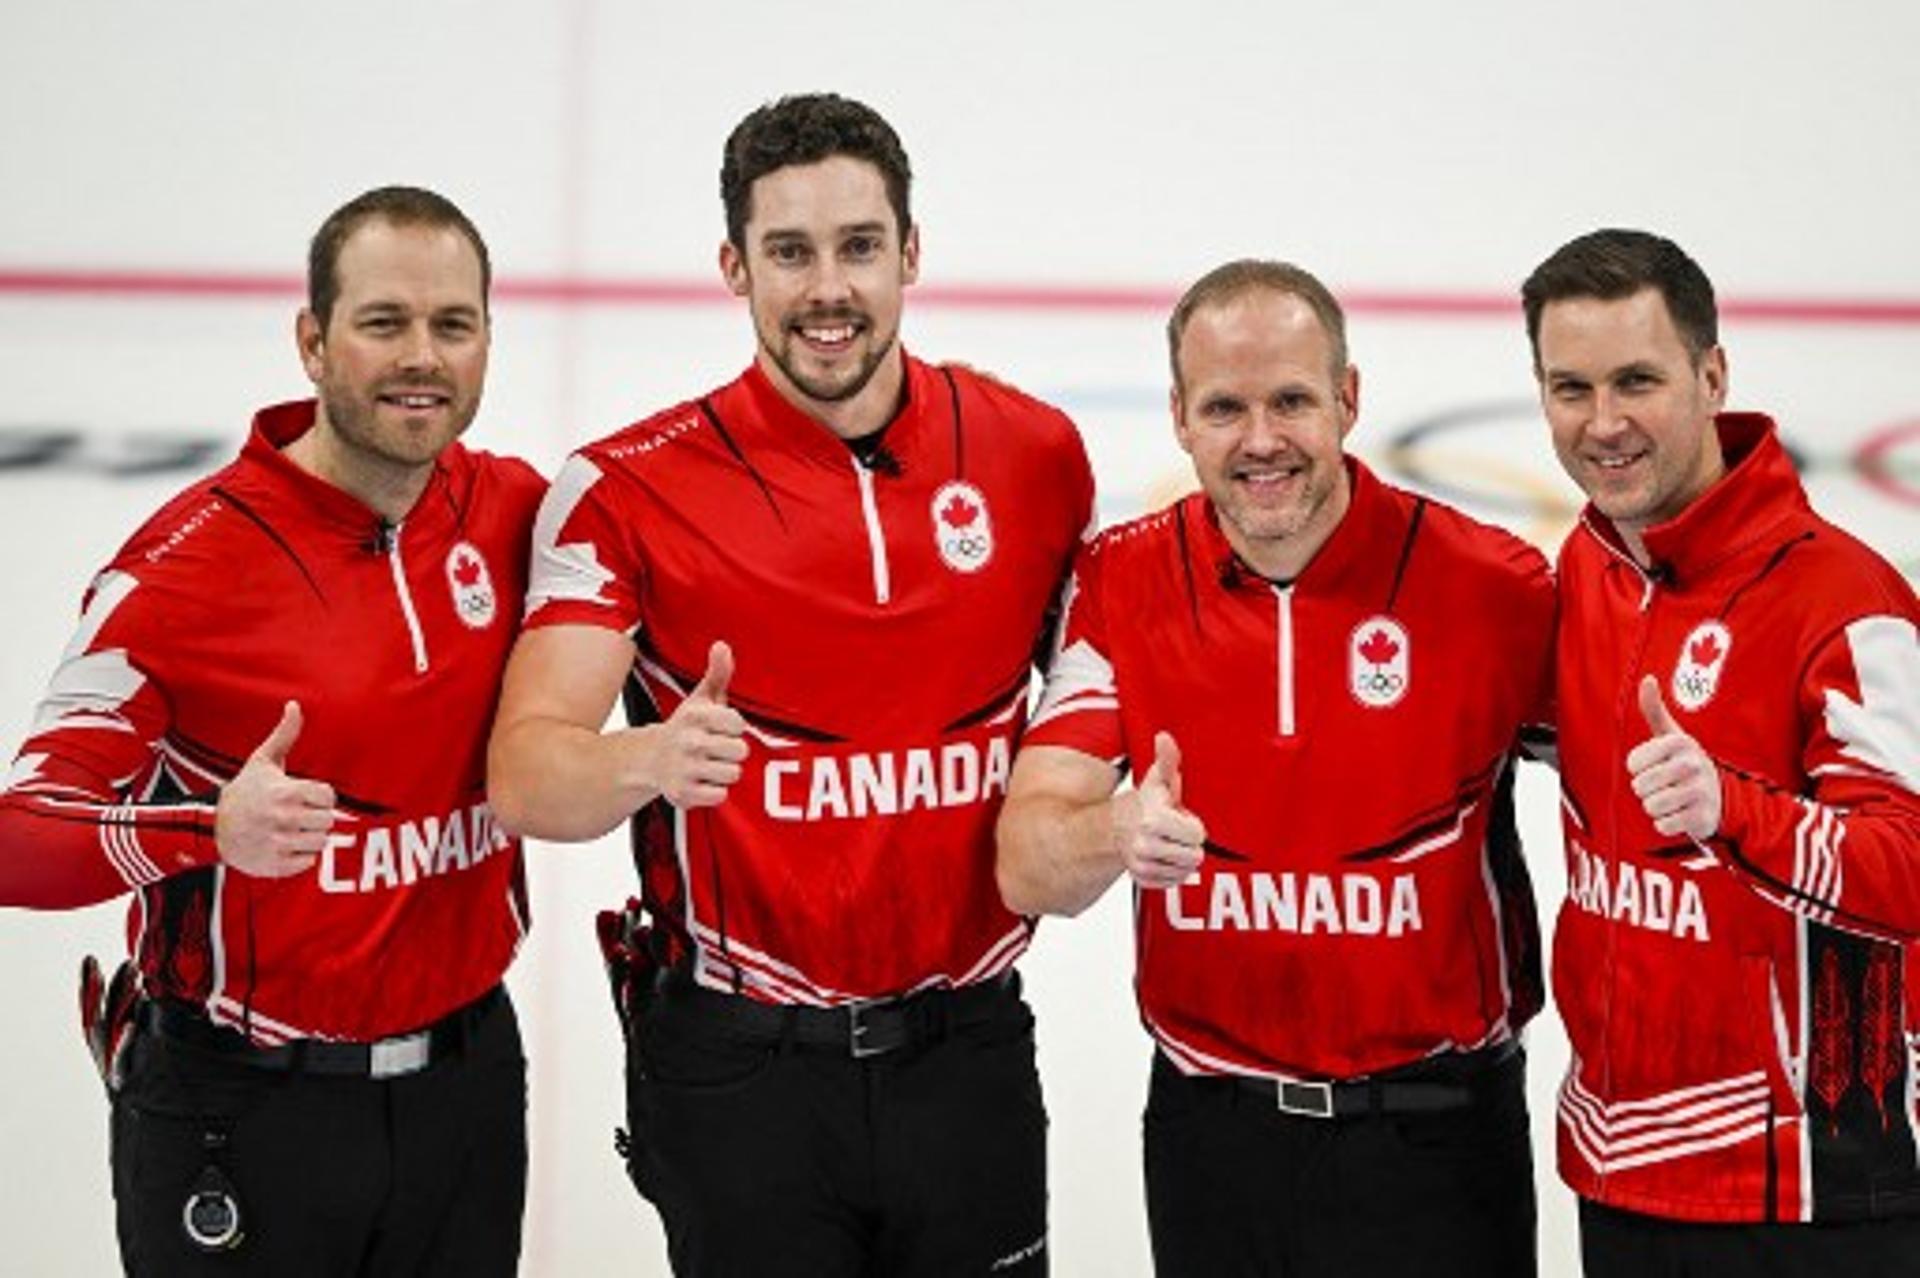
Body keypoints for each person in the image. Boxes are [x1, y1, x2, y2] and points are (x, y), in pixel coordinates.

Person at [487, 93, 1093, 1277]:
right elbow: (524, 773)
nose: (830, 288)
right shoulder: (623, 490)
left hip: (965, 1045)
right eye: (791, 252)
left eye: (860, 247)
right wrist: (642, 759)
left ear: (911, 253)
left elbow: (1096, 706)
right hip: (741, 1071)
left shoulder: (1035, 455)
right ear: (734, 265)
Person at [0, 186, 543, 1276]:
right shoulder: (179, 571)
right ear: (312, 340)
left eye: (452, 324)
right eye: (383, 322)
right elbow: (20, 837)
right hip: (239, 1112)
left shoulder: (516, 512)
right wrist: (206, 828)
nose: (421, 358)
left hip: (468, 1090)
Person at [996, 259, 1553, 1277]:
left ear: (1348, 398)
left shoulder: (1493, 589)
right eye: (1225, 407)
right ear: (1178, 417)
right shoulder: (1120, 582)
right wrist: (1111, 831)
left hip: (1440, 1140)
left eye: (1293, 400)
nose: (1261, 441)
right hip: (1217, 1145)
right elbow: (1028, 862)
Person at [1523, 228, 1920, 1274]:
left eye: (1637, 381)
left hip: (1808, 1196)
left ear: (1711, 375)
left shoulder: (1845, 599)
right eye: (1571, 387)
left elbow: (1910, 867)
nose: (1602, 424)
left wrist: (1732, 809)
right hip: (1620, 1168)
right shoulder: (1592, 562)